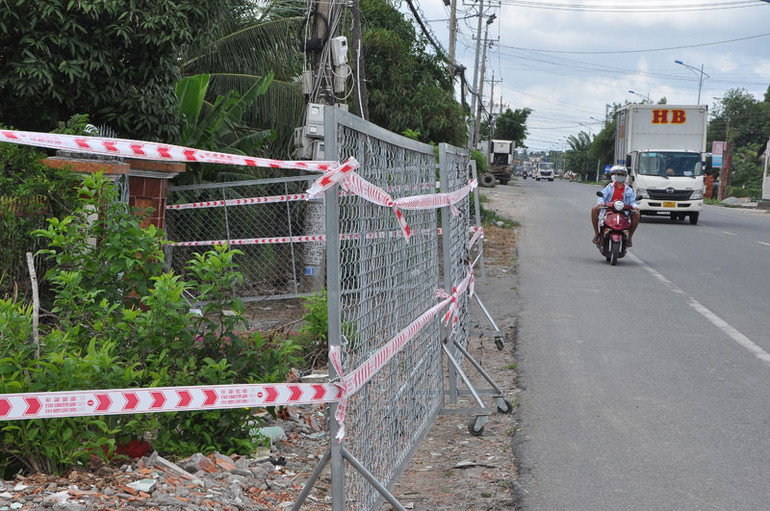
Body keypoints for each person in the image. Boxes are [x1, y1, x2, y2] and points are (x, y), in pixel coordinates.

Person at [591, 166, 640, 247]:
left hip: (624, 211)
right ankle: (596, 234)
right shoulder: (609, 187)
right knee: (594, 210)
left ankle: (630, 238)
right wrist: (600, 203)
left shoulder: (628, 189)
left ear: (625, 176)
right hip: (609, 210)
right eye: (618, 174)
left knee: (637, 214)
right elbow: (602, 196)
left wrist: (635, 206)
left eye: (622, 175)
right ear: (615, 176)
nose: (620, 176)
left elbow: (633, 200)